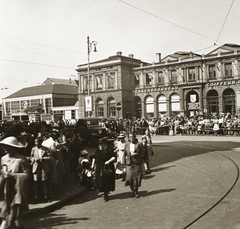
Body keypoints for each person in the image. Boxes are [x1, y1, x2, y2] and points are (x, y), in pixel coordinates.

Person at [0, 136, 30, 229]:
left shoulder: (21, 159)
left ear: (13, 147)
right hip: (5, 192)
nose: (3, 148)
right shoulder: (3, 159)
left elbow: (27, 175)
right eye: (3, 146)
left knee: (12, 216)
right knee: (11, 218)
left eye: (6, 146)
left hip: (17, 192)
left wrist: (12, 175)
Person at [91, 137, 116, 202]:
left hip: (107, 167)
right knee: (99, 180)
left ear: (105, 144)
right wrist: (93, 164)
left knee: (106, 181)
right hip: (99, 167)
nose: (100, 145)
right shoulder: (98, 149)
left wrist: (108, 161)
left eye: (101, 144)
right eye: (99, 144)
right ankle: (102, 190)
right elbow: (95, 157)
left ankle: (106, 194)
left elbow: (114, 157)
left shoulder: (109, 149)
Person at [30, 137, 50, 203]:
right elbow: (31, 157)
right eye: (35, 142)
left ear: (40, 142)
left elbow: (49, 157)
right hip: (36, 167)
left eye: (37, 142)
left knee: (44, 181)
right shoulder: (33, 149)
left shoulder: (46, 149)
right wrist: (34, 159)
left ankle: (45, 196)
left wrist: (43, 159)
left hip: (43, 167)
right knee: (35, 182)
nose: (36, 143)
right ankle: (35, 197)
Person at [123, 133, 143, 198]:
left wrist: (137, 154)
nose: (131, 138)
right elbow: (124, 154)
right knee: (129, 178)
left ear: (135, 137)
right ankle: (132, 190)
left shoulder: (139, 144)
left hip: (137, 163)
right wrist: (124, 165)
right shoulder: (127, 144)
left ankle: (136, 191)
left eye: (132, 136)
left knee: (137, 178)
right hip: (129, 163)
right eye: (130, 137)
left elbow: (143, 153)